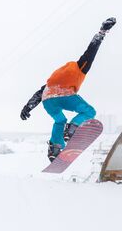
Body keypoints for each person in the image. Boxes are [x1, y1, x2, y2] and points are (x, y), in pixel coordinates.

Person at [20, 17, 116, 161]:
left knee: (60, 120)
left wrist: (27, 107)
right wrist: (102, 32)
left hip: (47, 98)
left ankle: (55, 148)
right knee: (89, 111)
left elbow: (39, 93)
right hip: (64, 94)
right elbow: (91, 51)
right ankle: (72, 128)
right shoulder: (81, 67)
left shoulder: (54, 79)